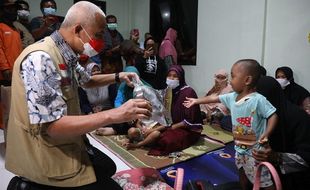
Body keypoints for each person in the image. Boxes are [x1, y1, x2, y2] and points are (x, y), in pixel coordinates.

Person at [5, 2, 151, 189]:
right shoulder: (41, 59)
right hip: (45, 150)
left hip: (69, 140)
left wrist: (118, 76)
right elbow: (53, 127)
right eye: (98, 35)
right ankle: (28, 184)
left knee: (107, 167)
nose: (101, 42)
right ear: (78, 29)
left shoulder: (66, 53)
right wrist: (116, 114)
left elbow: (86, 80)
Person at [184, 59, 278, 189]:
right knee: (242, 173)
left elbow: (273, 115)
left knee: (264, 182)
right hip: (240, 149)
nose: (230, 80)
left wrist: (267, 134)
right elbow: (213, 98)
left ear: (247, 80)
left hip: (255, 152)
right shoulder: (232, 97)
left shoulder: (258, 100)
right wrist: (196, 101)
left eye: (233, 76)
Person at [254, 76, 310, 190]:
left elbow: (306, 158)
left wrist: (276, 157)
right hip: (263, 174)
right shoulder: (257, 113)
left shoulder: (298, 117)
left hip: (293, 179)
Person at [148, 65, 203, 156]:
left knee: (165, 140)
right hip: (171, 125)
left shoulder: (189, 92)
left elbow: (189, 120)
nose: (171, 78)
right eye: (169, 75)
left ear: (180, 77)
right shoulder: (168, 91)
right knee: (151, 132)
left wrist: (170, 127)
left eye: (175, 76)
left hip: (188, 129)